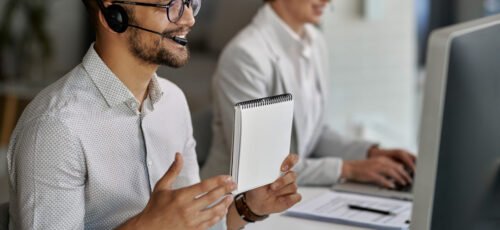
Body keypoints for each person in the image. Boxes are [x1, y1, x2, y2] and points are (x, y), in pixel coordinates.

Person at [6, 0, 301, 229]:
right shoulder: (55, 128)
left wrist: (249, 208)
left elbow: (191, 224)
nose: (188, 18)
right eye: (169, 5)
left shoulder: (173, 102)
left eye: (188, 2)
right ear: (114, 14)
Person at [201, 0, 416, 189]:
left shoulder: (315, 42)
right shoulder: (245, 55)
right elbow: (261, 163)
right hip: (230, 204)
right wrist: (348, 169)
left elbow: (315, 136)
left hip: (286, 196)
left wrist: (369, 153)